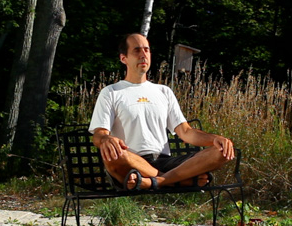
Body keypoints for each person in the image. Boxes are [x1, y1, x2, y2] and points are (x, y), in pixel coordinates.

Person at [89, 33, 235, 190]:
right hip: (132, 162)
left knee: (222, 151)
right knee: (113, 156)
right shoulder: (111, 92)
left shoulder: (163, 92)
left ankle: (156, 182)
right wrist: (106, 139)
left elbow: (186, 132)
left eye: (147, 50)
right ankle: (176, 180)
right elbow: (99, 134)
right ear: (123, 58)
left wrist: (215, 139)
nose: (143, 55)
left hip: (166, 162)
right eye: (137, 50)